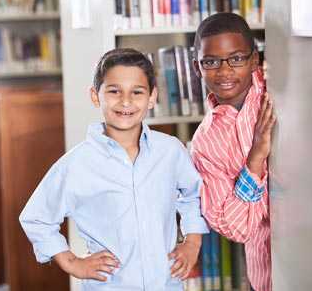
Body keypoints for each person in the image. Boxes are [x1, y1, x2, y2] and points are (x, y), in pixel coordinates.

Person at [19, 48, 209, 290]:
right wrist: (73, 263)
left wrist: (192, 241)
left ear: (152, 97)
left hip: (166, 284)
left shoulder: (170, 152)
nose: (126, 101)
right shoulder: (77, 164)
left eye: (137, 92)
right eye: (114, 91)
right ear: (95, 96)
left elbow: (194, 194)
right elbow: (36, 217)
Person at [190, 13, 276, 291]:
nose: (224, 71)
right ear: (197, 67)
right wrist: (255, 159)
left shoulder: (276, 92)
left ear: (254, 60)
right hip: (267, 275)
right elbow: (236, 228)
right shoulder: (204, 144)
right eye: (211, 62)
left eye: (237, 58)